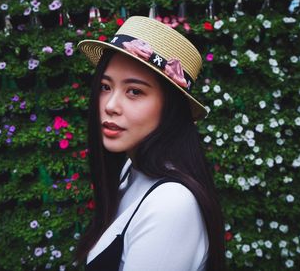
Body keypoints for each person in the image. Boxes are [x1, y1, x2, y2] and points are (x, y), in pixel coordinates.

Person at [76, 16, 225, 271]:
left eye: (134, 91)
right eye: (105, 86)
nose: (110, 106)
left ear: (171, 107)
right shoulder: (131, 169)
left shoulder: (171, 204)